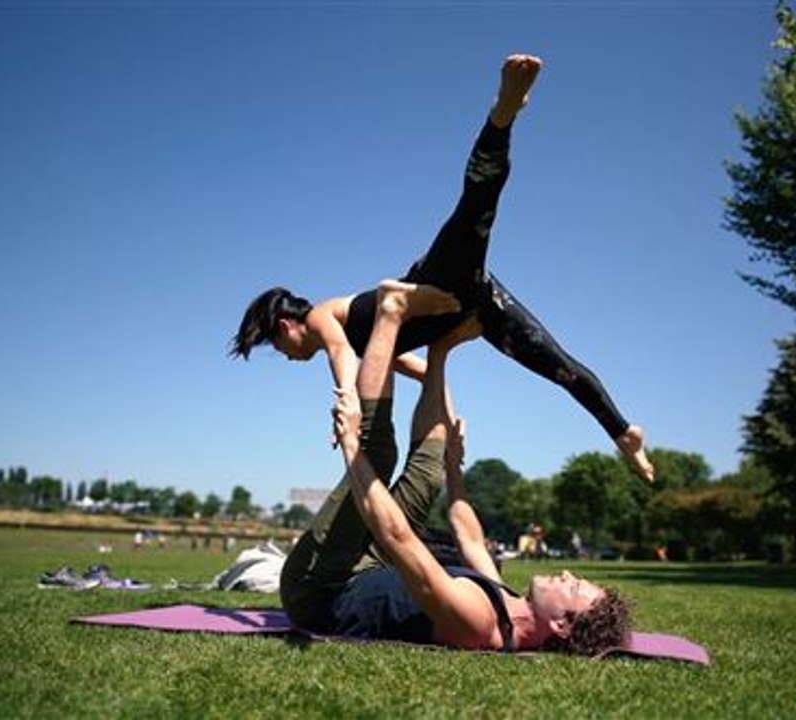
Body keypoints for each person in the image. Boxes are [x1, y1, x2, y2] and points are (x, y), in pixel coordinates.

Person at [231, 54, 654, 483]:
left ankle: (502, 115)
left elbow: (339, 355)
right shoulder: (369, 347)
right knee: (559, 367)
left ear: (285, 328)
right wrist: (450, 418)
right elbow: (417, 369)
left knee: (477, 204)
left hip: (436, 279)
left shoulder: (323, 316)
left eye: (277, 350)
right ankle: (624, 434)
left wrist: (348, 403)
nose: (287, 358)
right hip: (472, 303)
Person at [279, 280, 632, 654]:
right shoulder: (507, 601)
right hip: (370, 568)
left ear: (561, 624)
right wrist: (453, 463)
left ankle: (389, 313)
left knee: (376, 454)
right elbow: (469, 537)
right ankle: (438, 347)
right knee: (430, 472)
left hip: (318, 588)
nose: (567, 574)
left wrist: (350, 441)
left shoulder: (478, 622)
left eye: (574, 587)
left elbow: (398, 538)